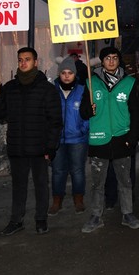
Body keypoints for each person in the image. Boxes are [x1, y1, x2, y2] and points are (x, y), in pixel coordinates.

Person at [0, 47, 63, 236]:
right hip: (17, 147)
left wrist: (51, 146)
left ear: (36, 62)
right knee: (18, 187)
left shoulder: (46, 89)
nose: (23, 63)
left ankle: (41, 220)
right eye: (20, 60)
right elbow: (1, 116)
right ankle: (16, 221)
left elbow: (55, 121)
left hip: (39, 147)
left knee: (41, 185)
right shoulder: (10, 88)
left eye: (27, 59)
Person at [79, 46, 139, 232]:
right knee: (98, 182)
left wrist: (132, 138)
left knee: (125, 180)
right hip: (99, 139)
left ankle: (128, 213)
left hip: (121, 138)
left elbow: (136, 113)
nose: (111, 61)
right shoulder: (91, 83)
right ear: (102, 61)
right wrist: (87, 110)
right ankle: (96, 215)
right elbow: (83, 113)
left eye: (115, 57)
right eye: (107, 58)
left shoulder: (129, 82)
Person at [48, 57, 90, 216]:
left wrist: (83, 129)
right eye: (63, 73)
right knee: (58, 171)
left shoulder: (82, 90)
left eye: (70, 73)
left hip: (77, 139)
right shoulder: (52, 91)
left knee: (77, 171)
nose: (66, 76)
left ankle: (78, 199)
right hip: (58, 140)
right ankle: (56, 201)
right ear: (59, 74)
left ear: (75, 74)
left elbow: (88, 113)